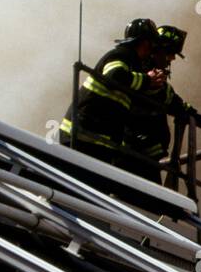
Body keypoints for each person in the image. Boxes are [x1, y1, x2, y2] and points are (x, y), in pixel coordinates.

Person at [59, 18, 162, 167]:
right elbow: (114, 76)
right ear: (146, 43)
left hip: (95, 140)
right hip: (83, 137)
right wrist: (147, 80)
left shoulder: (133, 63)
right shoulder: (122, 55)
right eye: (152, 44)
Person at [119, 24, 201, 184]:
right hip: (133, 152)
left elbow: (171, 99)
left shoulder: (149, 75)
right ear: (156, 51)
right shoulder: (141, 73)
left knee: (153, 201)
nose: (172, 59)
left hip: (145, 154)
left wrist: (193, 114)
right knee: (150, 202)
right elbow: (165, 97)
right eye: (170, 53)